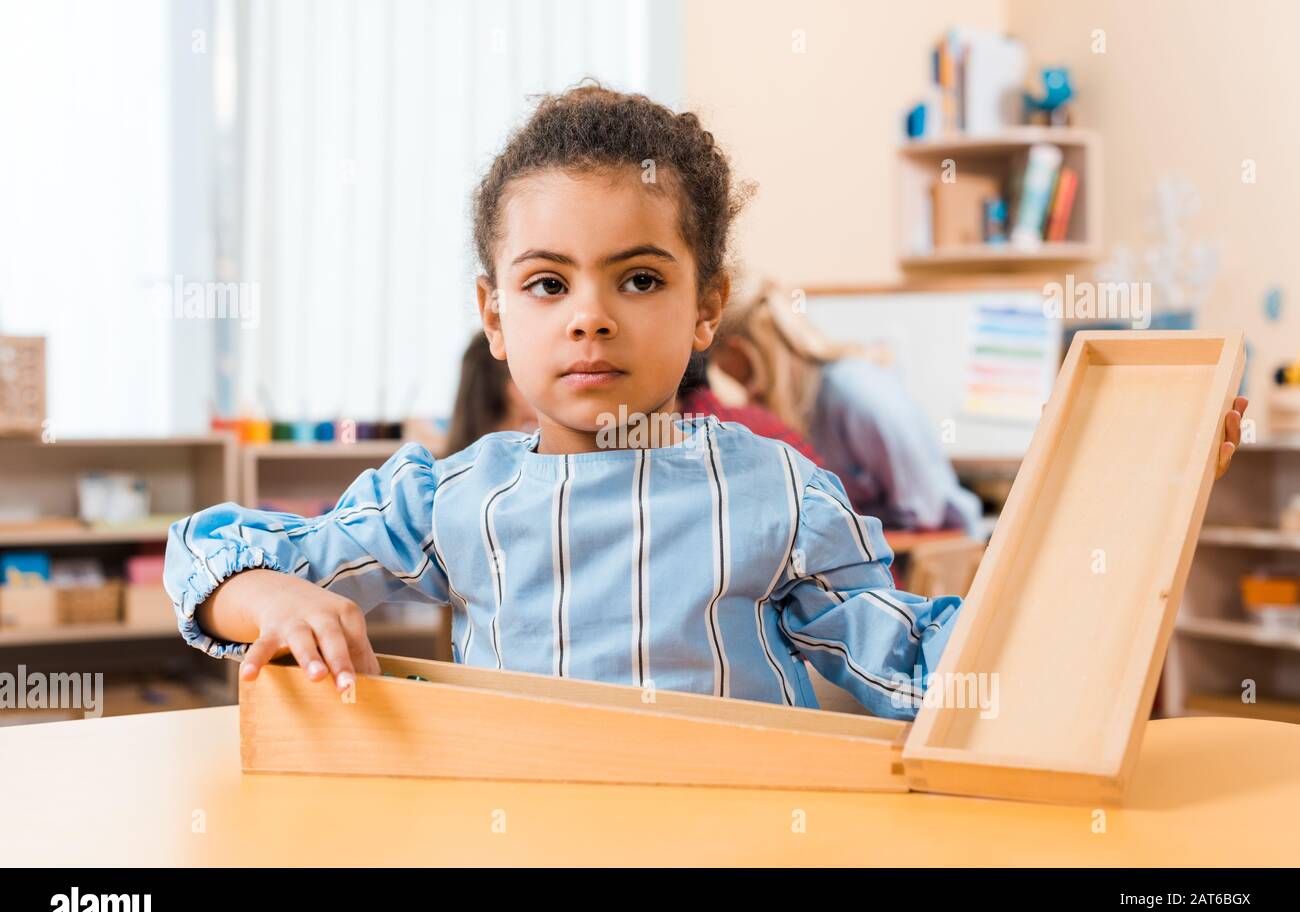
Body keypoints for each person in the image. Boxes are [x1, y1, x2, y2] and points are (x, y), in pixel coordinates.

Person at [163, 82, 1247, 719]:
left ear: (705, 309)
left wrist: (1128, 510)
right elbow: (204, 554)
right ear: (495, 318)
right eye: (547, 285)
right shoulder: (450, 498)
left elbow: (933, 668)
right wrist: (274, 599)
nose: (591, 318)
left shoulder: (779, 493)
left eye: (639, 279)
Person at [710, 279, 985, 535]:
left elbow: (926, 514)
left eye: (742, 380)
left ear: (742, 352)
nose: (748, 397)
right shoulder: (805, 407)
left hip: (936, 549)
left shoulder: (859, 394)